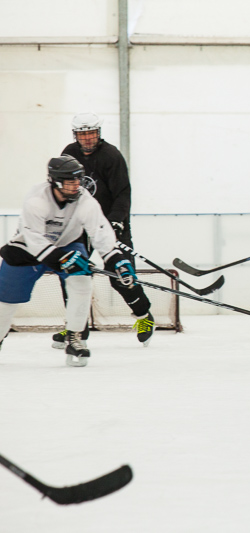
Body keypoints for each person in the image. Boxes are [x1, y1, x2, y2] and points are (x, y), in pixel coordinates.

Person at [0, 156, 138, 366]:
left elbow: (100, 232)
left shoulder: (85, 201)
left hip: (68, 243)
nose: (76, 186)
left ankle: (75, 338)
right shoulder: (36, 200)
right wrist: (62, 259)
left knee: (82, 282)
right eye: (70, 182)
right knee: (6, 302)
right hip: (28, 248)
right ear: (55, 182)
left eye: (78, 181)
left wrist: (117, 260)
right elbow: (34, 238)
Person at [60, 112, 154, 346]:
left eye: (91, 133)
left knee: (121, 276)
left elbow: (123, 193)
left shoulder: (111, 155)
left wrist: (116, 221)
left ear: (98, 133)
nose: (87, 138)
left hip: (109, 223)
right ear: (75, 135)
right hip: (80, 225)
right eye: (82, 134)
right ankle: (76, 328)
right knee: (72, 274)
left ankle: (144, 315)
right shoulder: (69, 154)